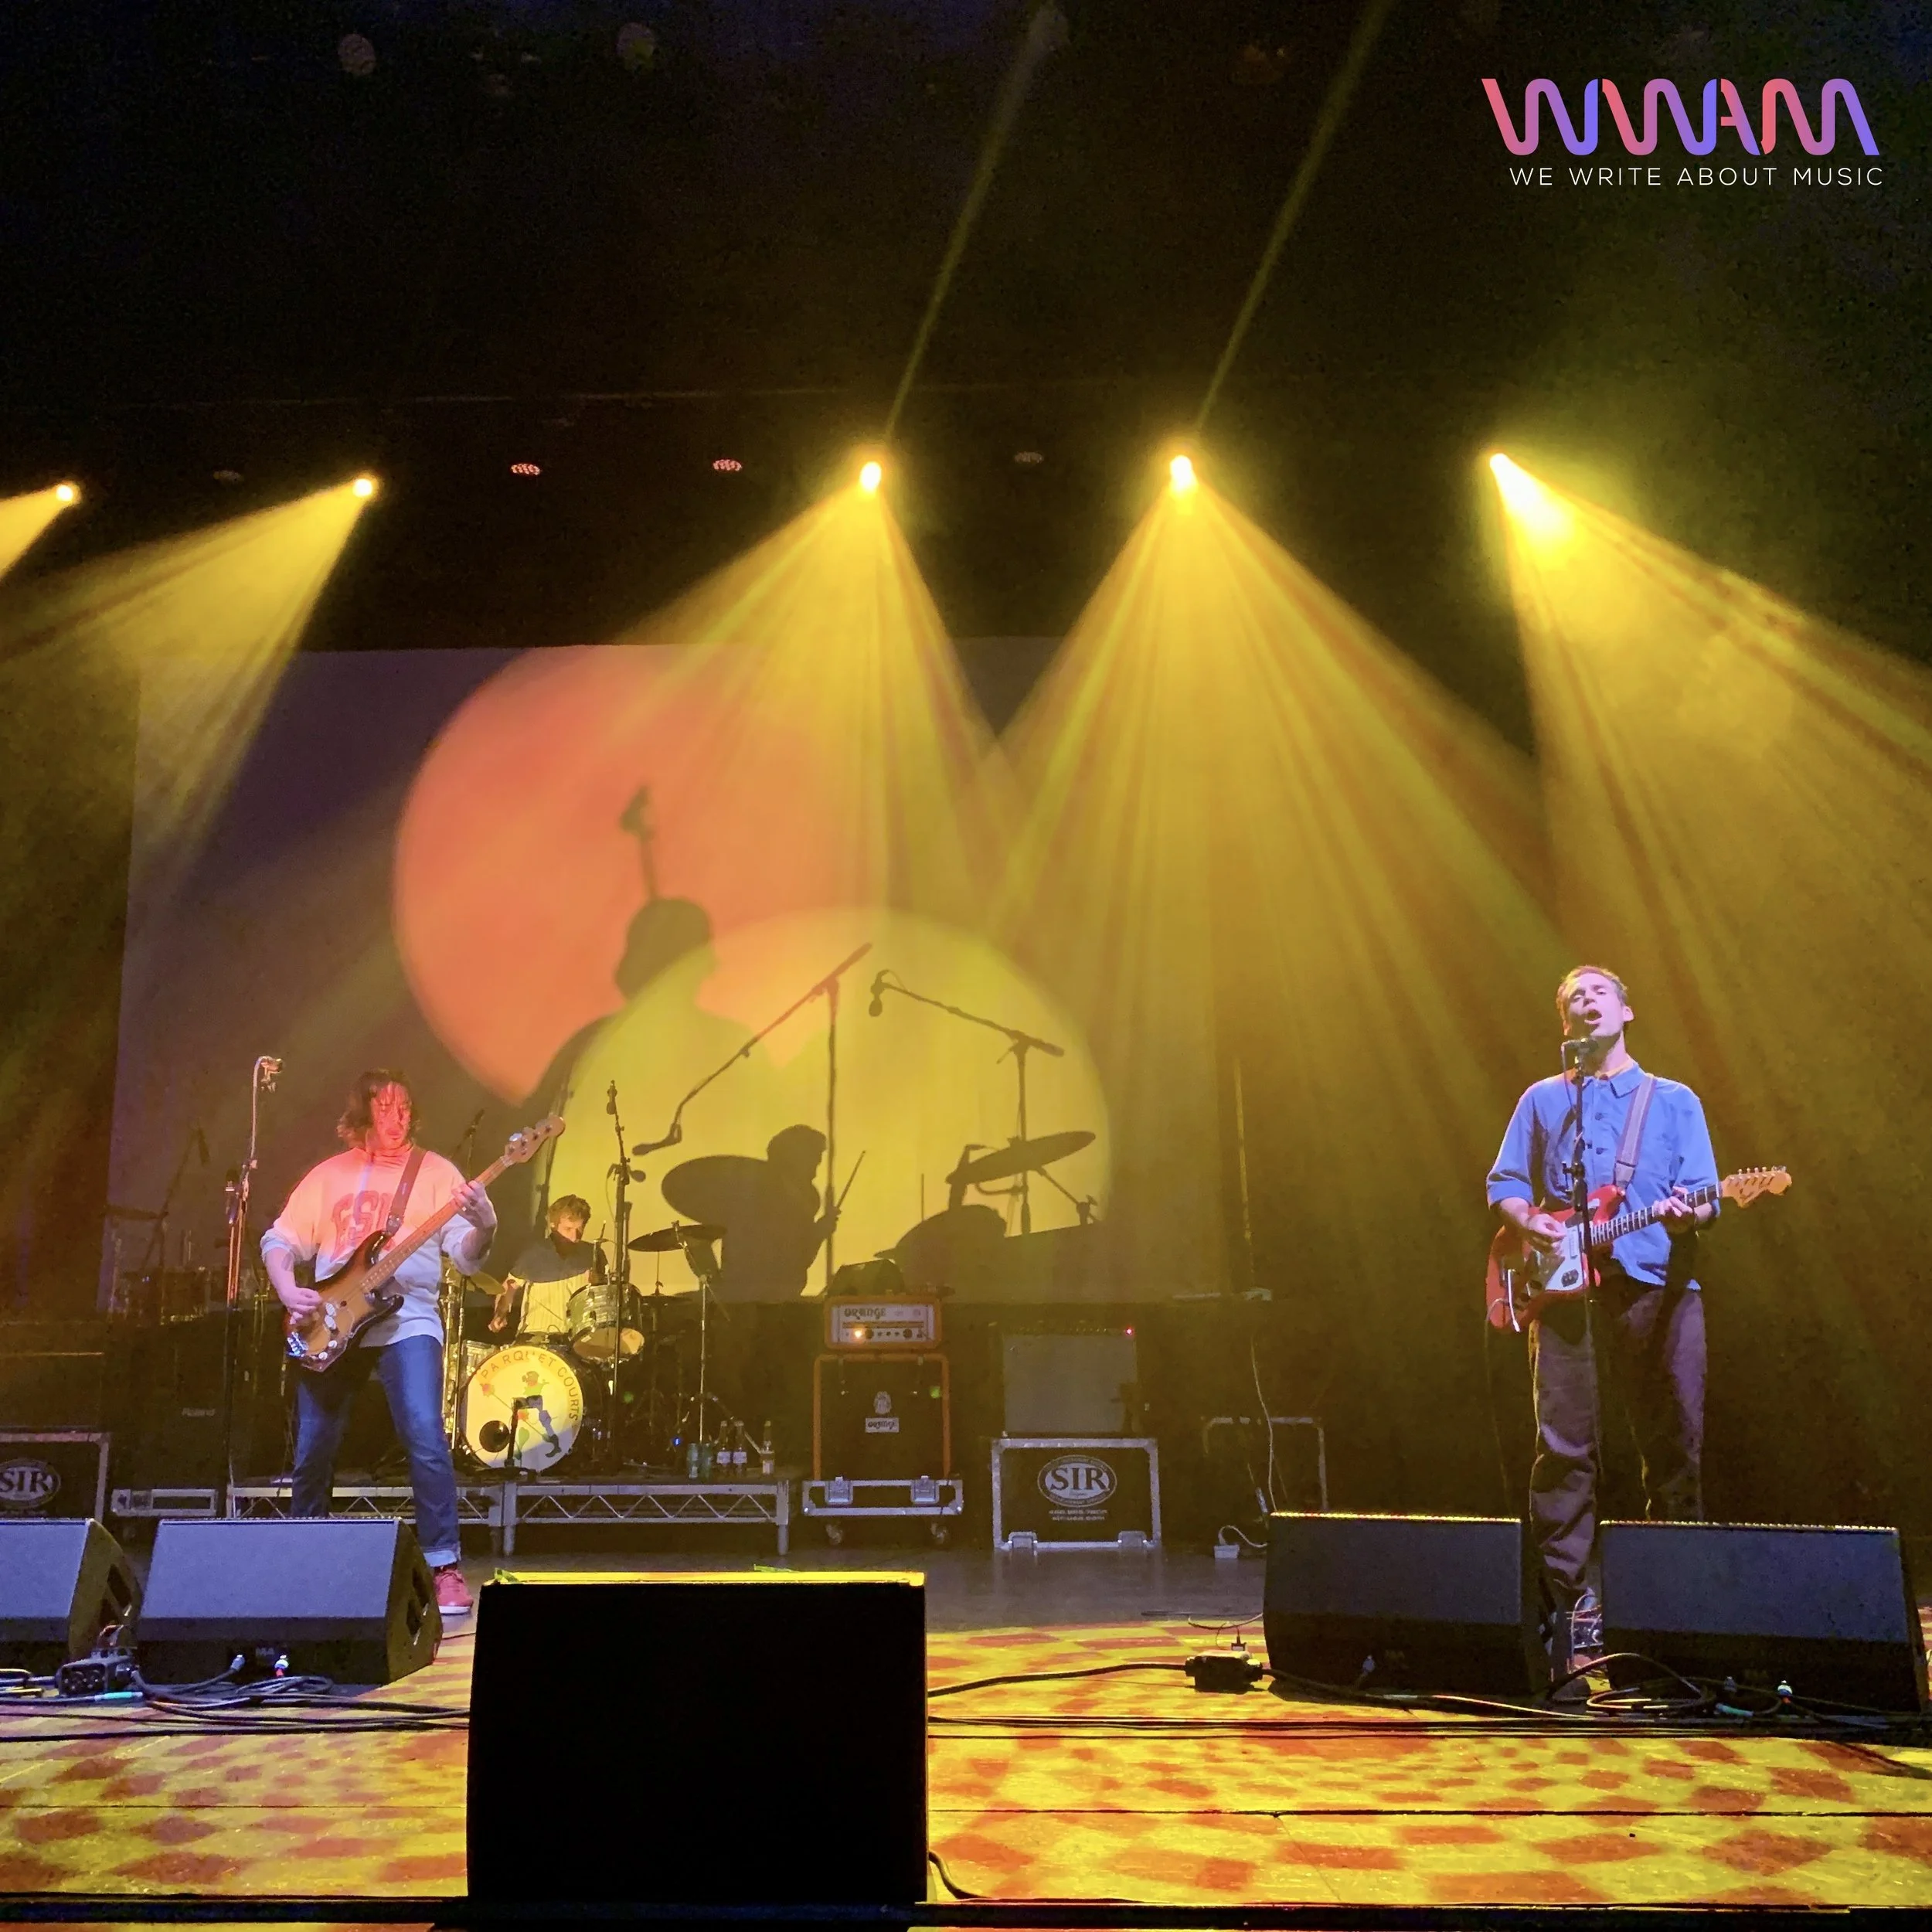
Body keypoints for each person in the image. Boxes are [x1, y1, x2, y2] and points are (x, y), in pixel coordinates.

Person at [1486, 965, 1719, 1670]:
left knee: (1674, 1440)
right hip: (1564, 1289)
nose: (1585, 1002)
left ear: (1626, 1009)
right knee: (1563, 1451)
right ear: (1567, 1025)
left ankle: (1673, 1611)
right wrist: (1532, 1225)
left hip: (1658, 1283)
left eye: (1597, 993)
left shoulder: (1673, 1101)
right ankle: (1561, 1616)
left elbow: (1707, 1196)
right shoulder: (1544, 1098)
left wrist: (1691, 1214)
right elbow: (1506, 1183)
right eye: (1571, 999)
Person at [263, 1070, 496, 1618]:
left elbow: (465, 1256)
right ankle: (306, 1556)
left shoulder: (437, 1173)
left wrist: (486, 1224)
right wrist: (287, 1290)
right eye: (386, 1107)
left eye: (405, 1107)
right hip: (330, 1323)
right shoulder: (329, 1175)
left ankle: (444, 1566)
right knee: (314, 1448)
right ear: (363, 1114)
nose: (398, 1117)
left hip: (407, 1319)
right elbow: (280, 1239)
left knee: (424, 1435)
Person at [715, 1124, 838, 1303]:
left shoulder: (795, 1202)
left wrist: (819, 1232)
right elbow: (784, 1263)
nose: (815, 1174)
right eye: (813, 1164)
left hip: (774, 1303)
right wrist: (817, 1233)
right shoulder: (759, 1201)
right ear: (796, 1161)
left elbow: (797, 1261)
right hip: (754, 1307)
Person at [492, 1193, 600, 1340]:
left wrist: (598, 1283)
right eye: (568, 1229)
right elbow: (509, 1287)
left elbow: (603, 1298)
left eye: (580, 1229)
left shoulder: (593, 1254)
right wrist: (500, 1314)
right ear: (553, 1226)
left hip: (579, 1339)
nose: (575, 1237)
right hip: (537, 1336)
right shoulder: (533, 1254)